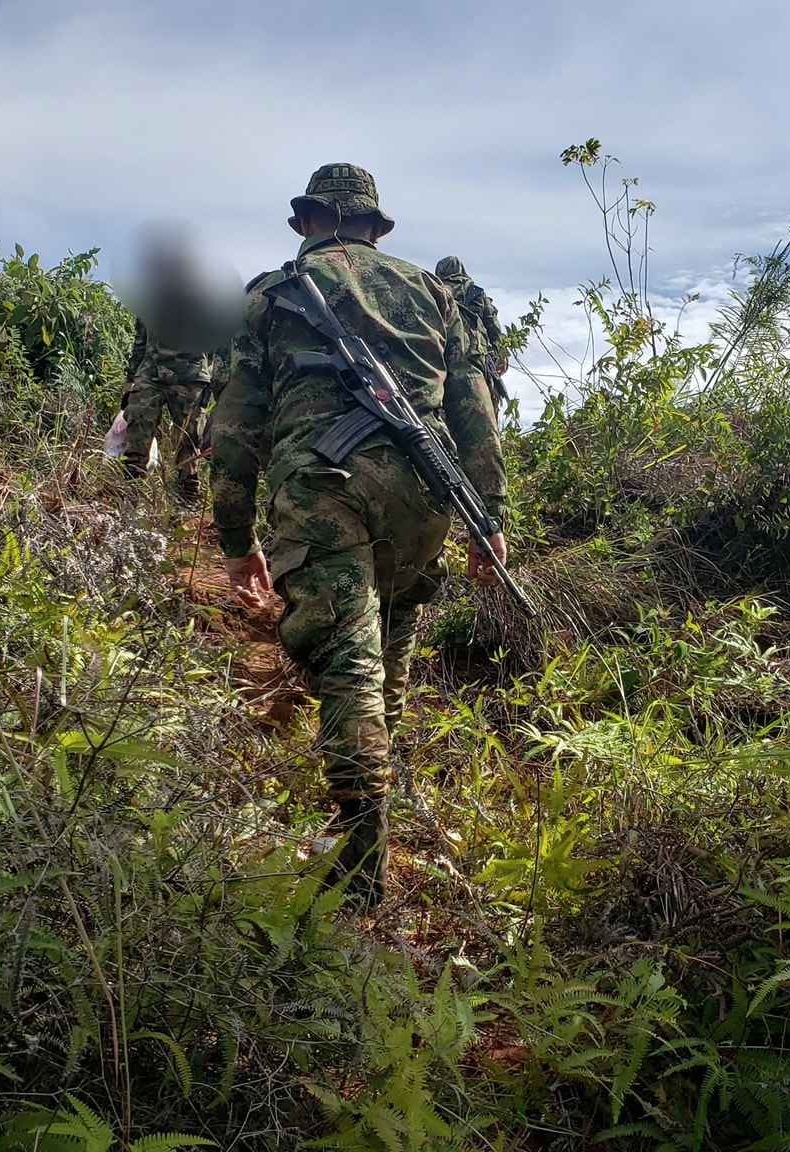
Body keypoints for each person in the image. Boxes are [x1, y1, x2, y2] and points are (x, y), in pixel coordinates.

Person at [208, 163, 509, 907]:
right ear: (376, 229)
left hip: (323, 492)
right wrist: (489, 519)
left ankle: (361, 869)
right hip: (425, 492)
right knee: (389, 661)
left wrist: (234, 537)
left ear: (308, 222)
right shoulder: (435, 292)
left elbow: (236, 426)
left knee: (348, 673)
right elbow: (476, 408)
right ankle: (379, 792)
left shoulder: (270, 294)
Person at [120, 319, 212, 503]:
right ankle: (131, 495)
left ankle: (187, 501)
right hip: (151, 372)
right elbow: (140, 339)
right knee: (138, 427)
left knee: (188, 441)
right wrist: (130, 379)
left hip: (190, 375)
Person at [434, 256, 510, 414]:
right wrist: (502, 355)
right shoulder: (476, 293)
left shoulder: (434, 290)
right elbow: (493, 328)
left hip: (441, 356)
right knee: (486, 408)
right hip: (476, 357)